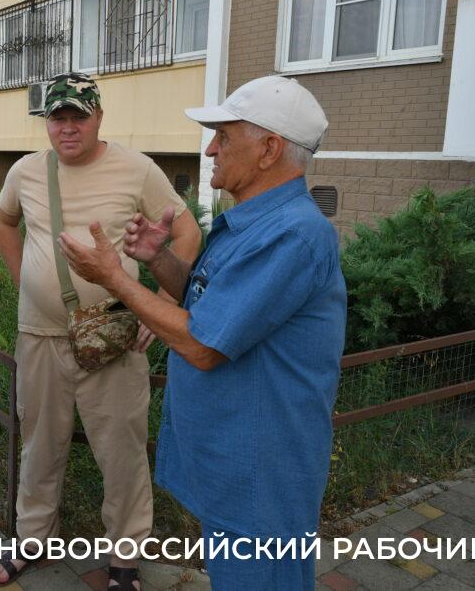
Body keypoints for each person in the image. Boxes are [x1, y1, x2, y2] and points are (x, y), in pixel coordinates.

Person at [58, 76, 347, 590]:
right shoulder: (255, 224)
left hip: (260, 473)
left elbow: (203, 343)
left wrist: (115, 278)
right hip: (238, 463)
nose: (211, 149)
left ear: (269, 150)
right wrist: (158, 259)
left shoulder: (292, 235)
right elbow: (213, 303)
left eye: (224, 137)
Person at [0, 72, 202, 590]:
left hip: (114, 337)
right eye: (57, 118)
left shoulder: (137, 169)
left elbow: (187, 232)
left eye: (78, 117)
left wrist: (162, 304)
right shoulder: (25, 171)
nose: (67, 128)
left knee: (122, 451)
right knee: (39, 445)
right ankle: (32, 537)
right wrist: (25, 280)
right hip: (40, 336)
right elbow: (4, 222)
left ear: (99, 117)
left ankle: (125, 557)